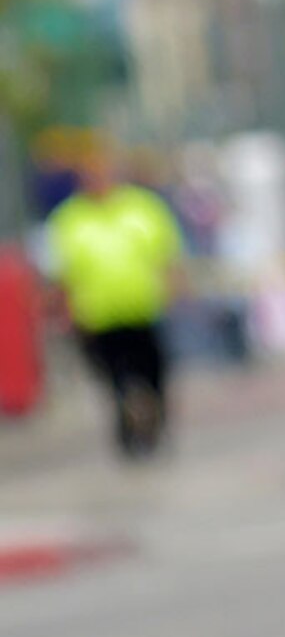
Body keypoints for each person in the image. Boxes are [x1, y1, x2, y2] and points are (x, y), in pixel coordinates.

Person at [42, 146, 185, 458]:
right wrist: (59, 309)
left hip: (143, 308)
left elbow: (167, 255)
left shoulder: (143, 208)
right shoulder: (69, 220)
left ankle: (155, 421)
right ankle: (128, 430)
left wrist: (174, 291)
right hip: (97, 314)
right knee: (114, 379)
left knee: (152, 372)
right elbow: (60, 271)